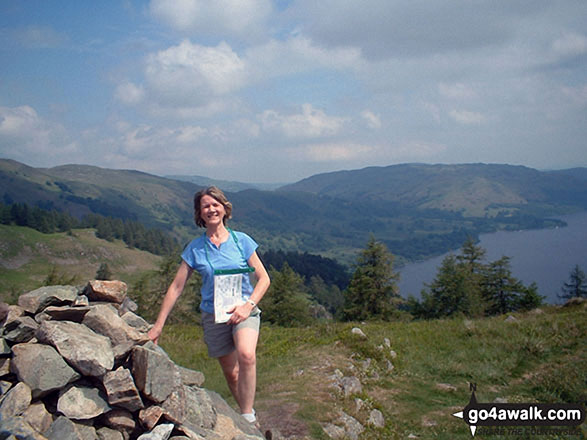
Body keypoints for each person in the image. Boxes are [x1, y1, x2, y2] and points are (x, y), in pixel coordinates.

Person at [148, 186, 270, 425]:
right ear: (200, 214)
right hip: (213, 315)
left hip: (244, 310)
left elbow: (264, 278)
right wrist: (158, 325)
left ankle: (247, 418)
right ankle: (249, 415)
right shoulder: (194, 248)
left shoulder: (242, 241)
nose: (212, 209)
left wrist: (248, 306)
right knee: (232, 374)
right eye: (206, 206)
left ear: (225, 208)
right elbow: (176, 287)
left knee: (246, 355)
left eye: (216, 204)